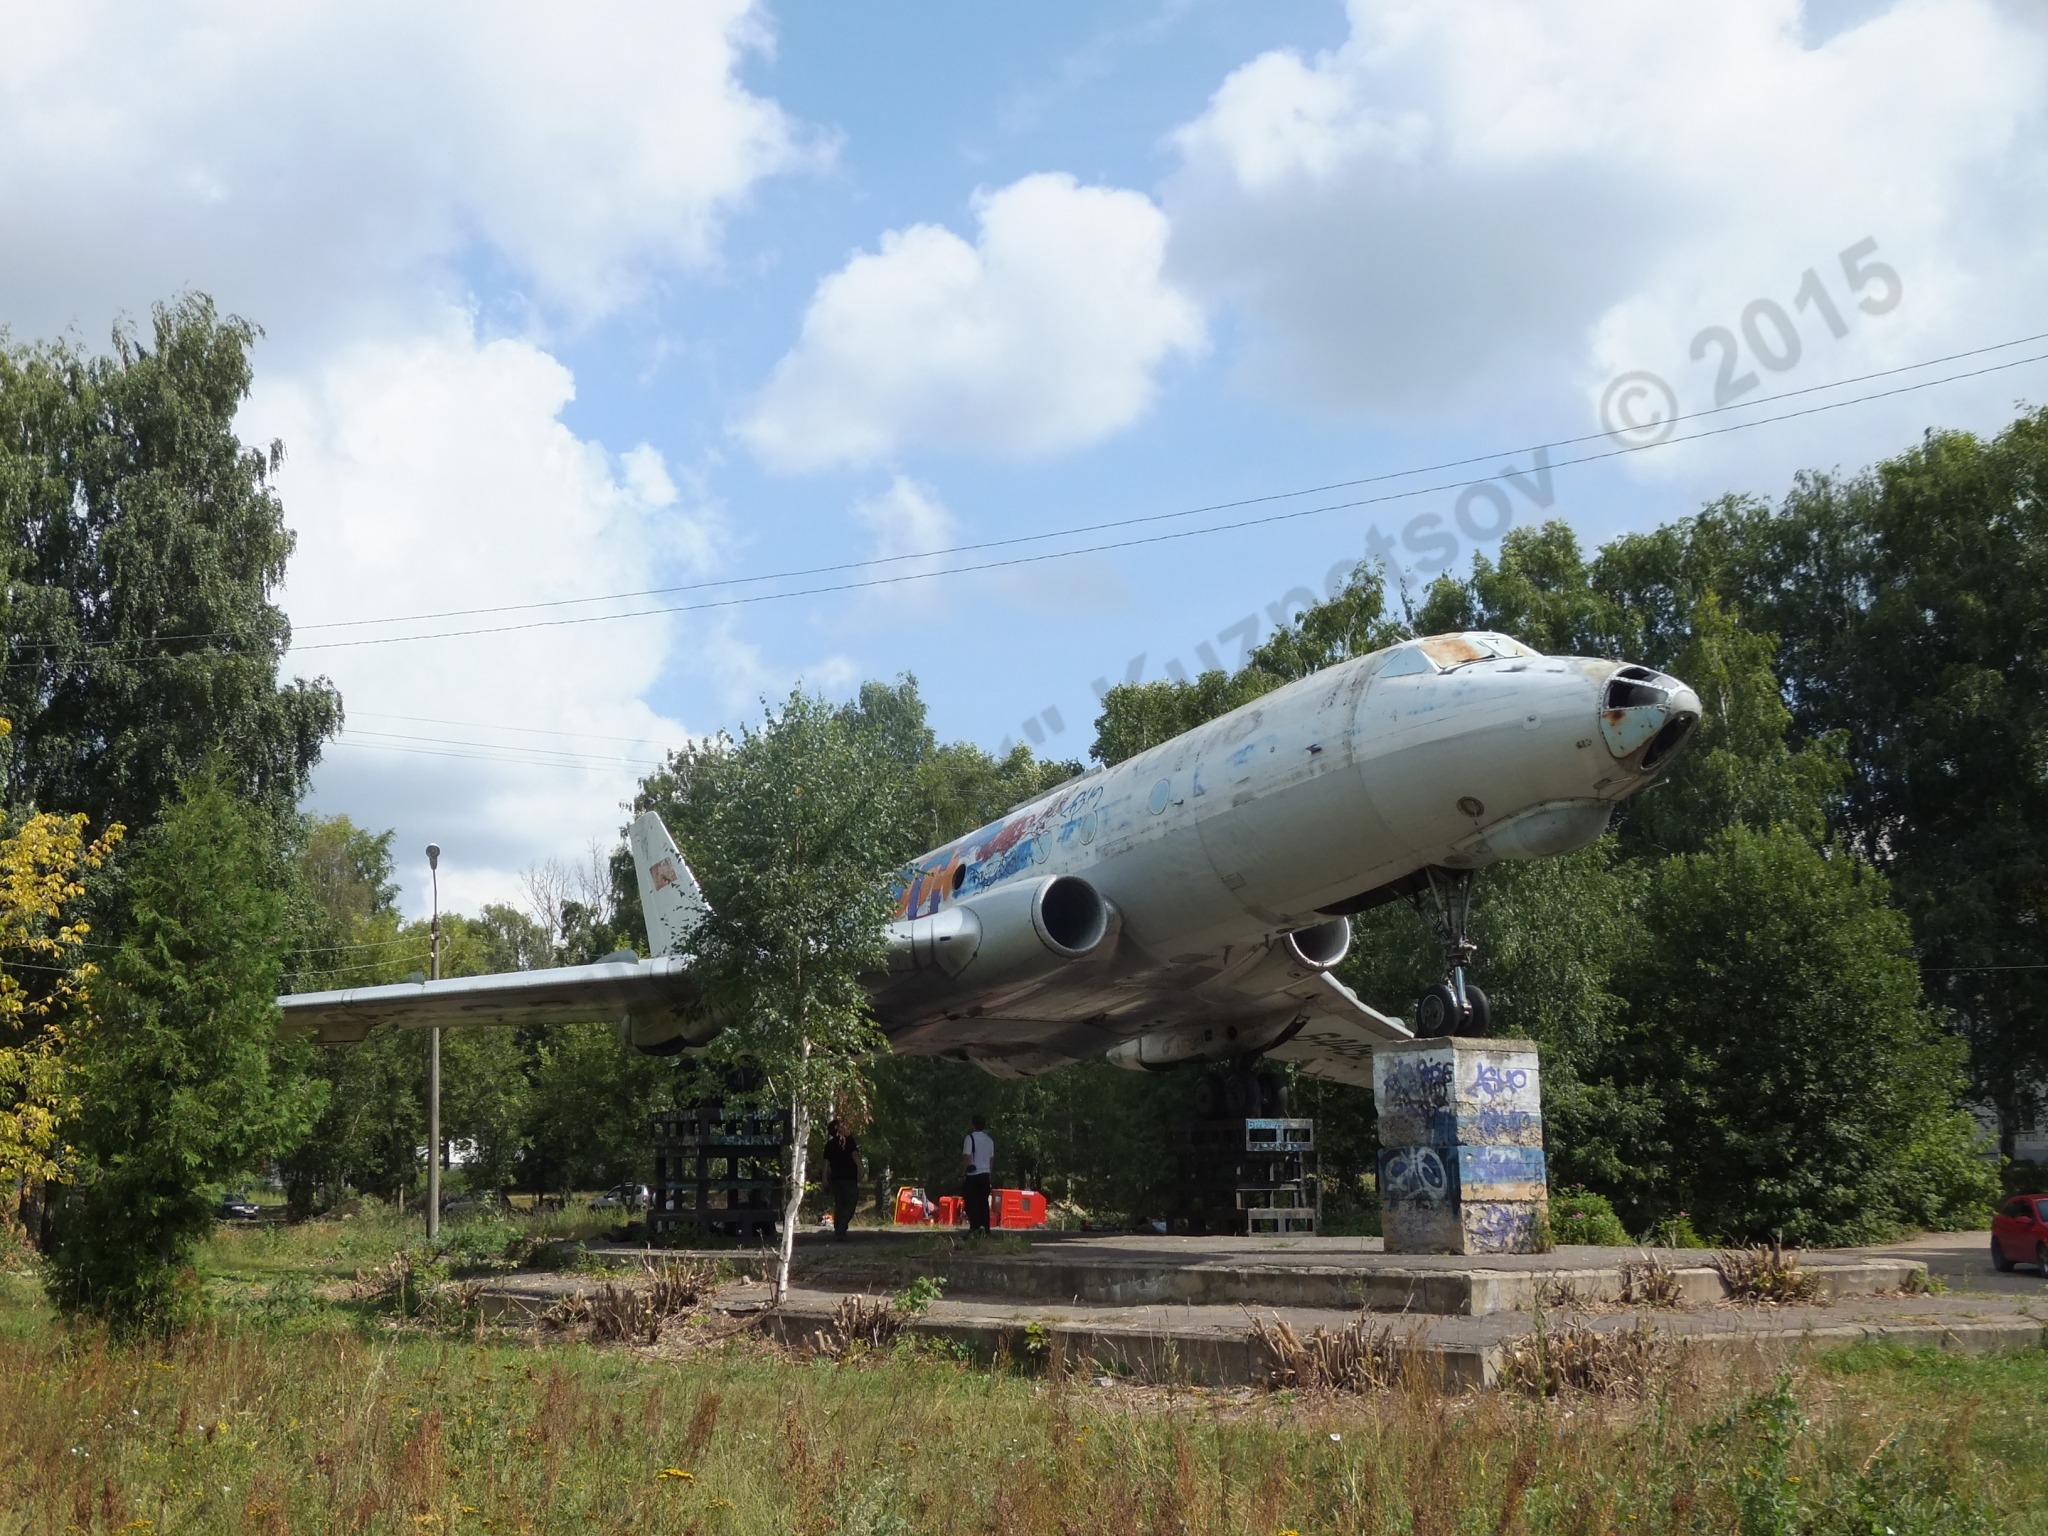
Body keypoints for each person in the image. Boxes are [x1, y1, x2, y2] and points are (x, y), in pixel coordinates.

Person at [823, 1119, 862, 1240]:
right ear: (838, 1129)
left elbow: (825, 1163)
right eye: (843, 1126)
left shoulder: (829, 1145)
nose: (846, 1127)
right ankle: (841, 1227)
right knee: (851, 1203)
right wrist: (862, 1168)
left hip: (835, 1179)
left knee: (839, 1204)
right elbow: (855, 1155)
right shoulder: (849, 1141)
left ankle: (838, 1230)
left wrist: (824, 1178)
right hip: (849, 1178)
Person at [961, 1114, 994, 1235]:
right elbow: (991, 1160)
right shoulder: (989, 1141)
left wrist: (964, 1172)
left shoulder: (969, 1138)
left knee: (971, 1202)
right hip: (985, 1175)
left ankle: (974, 1227)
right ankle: (985, 1228)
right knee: (983, 1203)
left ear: (973, 1125)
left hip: (973, 1175)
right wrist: (990, 1175)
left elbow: (967, 1157)